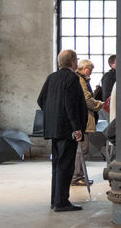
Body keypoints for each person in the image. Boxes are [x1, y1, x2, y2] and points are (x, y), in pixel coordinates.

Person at [37, 49, 88, 213]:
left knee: (57, 165)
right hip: (67, 130)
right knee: (65, 166)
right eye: (76, 60)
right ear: (73, 62)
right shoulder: (72, 78)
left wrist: (53, 115)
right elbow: (70, 105)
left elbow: (41, 100)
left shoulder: (51, 77)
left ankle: (55, 200)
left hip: (53, 129)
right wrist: (76, 128)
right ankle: (62, 202)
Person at [73, 58, 103, 186]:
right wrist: (100, 105)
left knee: (82, 149)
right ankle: (76, 176)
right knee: (82, 149)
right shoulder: (81, 80)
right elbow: (87, 99)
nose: (91, 72)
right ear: (85, 69)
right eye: (90, 70)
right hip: (83, 119)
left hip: (82, 118)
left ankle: (79, 175)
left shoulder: (81, 79)